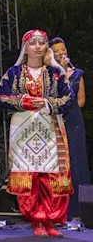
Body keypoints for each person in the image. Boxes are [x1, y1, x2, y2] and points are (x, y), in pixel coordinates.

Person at [0, 30, 74, 237]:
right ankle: (36, 221)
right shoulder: (13, 73)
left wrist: (48, 102)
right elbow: (1, 97)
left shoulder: (55, 73)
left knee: (50, 174)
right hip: (23, 127)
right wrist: (24, 101)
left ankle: (50, 220)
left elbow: (69, 99)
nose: (38, 46)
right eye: (33, 43)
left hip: (50, 126)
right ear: (25, 48)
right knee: (30, 174)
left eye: (41, 43)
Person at [49, 36, 89, 223]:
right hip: (55, 122)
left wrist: (67, 74)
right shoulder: (48, 75)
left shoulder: (78, 74)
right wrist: (60, 73)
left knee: (76, 162)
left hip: (74, 122)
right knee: (57, 165)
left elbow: (80, 102)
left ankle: (78, 210)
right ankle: (57, 210)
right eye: (55, 51)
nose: (59, 53)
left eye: (62, 49)